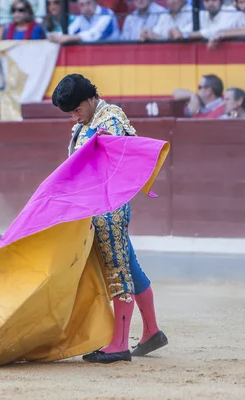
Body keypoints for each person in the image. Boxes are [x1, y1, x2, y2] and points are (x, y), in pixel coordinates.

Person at [51, 73, 168, 364]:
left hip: (108, 204)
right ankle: (152, 331)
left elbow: (120, 163)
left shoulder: (110, 119)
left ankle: (118, 344)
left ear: (91, 97)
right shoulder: (88, 123)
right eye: (71, 112)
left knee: (116, 269)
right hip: (96, 203)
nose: (74, 116)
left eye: (77, 109)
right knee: (128, 263)